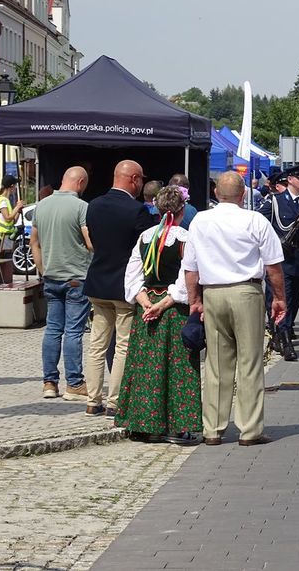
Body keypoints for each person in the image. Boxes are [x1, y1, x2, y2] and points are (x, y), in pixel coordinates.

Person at [183, 171, 286, 446]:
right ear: (243, 195)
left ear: (217, 193)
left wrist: (195, 300)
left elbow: (190, 267)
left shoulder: (201, 221)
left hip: (213, 291)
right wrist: (280, 298)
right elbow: (273, 265)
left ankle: (212, 429)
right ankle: (249, 429)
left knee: (216, 362)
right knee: (249, 361)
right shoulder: (254, 220)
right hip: (246, 290)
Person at [117, 186, 201, 445]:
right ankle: (178, 426)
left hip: (147, 308)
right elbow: (186, 277)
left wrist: (145, 303)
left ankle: (143, 423)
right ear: (182, 209)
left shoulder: (145, 236)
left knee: (146, 365)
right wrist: (163, 304)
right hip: (172, 309)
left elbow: (132, 275)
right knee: (177, 367)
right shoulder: (185, 238)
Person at [83, 160, 156, 416]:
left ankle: (93, 401)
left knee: (96, 345)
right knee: (123, 345)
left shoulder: (93, 206)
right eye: (141, 180)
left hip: (97, 283)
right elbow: (146, 250)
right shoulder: (138, 212)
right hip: (124, 286)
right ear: (134, 179)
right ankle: (115, 401)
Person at [31, 166, 93, 400]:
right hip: (76, 278)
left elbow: (34, 242)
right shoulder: (81, 207)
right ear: (80, 183)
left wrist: (43, 269)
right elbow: (90, 243)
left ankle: (49, 383)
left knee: (53, 329)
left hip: (51, 277)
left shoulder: (42, 205)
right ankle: (75, 384)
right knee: (73, 332)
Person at [258, 163, 299, 361]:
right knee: (280, 299)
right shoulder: (274, 202)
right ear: (290, 179)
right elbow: (260, 227)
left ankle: (283, 331)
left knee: (294, 300)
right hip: (280, 261)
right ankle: (285, 340)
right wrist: (275, 243)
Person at [0, 174, 23, 254]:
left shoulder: (6, 200)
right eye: (15, 186)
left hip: (7, 237)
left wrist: (18, 211)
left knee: (7, 261)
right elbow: (7, 218)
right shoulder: (2, 201)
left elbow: (13, 221)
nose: (16, 188)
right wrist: (17, 207)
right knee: (2, 261)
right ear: (11, 187)